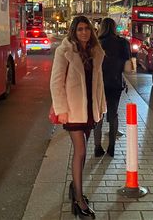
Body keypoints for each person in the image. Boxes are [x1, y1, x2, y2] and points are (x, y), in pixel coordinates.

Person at [50, 15, 106, 218]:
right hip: (73, 110)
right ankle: (79, 199)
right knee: (80, 151)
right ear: (73, 31)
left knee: (84, 150)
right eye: (80, 29)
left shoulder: (96, 51)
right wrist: (61, 109)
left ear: (91, 31)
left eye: (87, 29)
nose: (84, 32)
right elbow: (56, 82)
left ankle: (75, 186)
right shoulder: (64, 51)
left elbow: (98, 83)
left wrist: (101, 105)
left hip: (90, 109)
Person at [94, 18, 131, 157]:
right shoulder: (123, 43)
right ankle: (112, 147)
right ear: (115, 28)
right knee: (113, 114)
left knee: (98, 115)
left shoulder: (96, 43)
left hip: (99, 84)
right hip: (116, 83)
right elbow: (128, 69)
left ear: (102, 27)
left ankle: (97, 148)